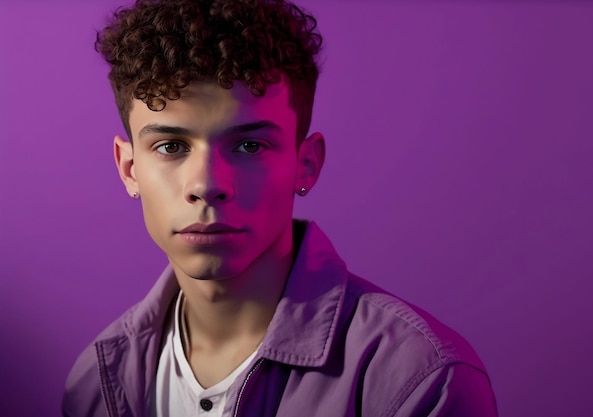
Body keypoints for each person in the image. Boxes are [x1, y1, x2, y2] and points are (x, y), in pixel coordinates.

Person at [62, 0, 498, 416]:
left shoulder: (420, 378)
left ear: (305, 164)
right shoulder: (97, 381)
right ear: (129, 168)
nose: (207, 185)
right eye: (171, 146)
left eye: (250, 145)